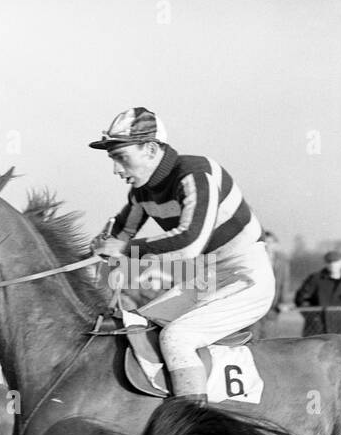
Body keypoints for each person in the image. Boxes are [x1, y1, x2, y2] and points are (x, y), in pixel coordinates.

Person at [88, 107, 274, 404]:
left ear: (150, 149)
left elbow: (189, 243)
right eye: (112, 159)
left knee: (177, 338)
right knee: (137, 326)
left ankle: (192, 427)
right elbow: (119, 237)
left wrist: (121, 250)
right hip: (207, 278)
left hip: (246, 277)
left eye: (121, 157)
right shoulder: (142, 193)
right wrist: (101, 247)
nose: (116, 170)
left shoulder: (196, 172)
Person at [294, 250, 341, 337]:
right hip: (318, 326)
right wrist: (312, 316)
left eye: (336, 262)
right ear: (325, 263)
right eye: (329, 262)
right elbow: (301, 298)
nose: (333, 265)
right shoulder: (315, 278)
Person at [252, 232, 292, 340]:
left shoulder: (282, 261)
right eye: (265, 242)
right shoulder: (253, 259)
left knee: (269, 338)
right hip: (254, 304)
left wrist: (283, 302)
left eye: (270, 242)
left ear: (276, 244)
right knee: (253, 338)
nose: (268, 245)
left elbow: (285, 282)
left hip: (272, 306)